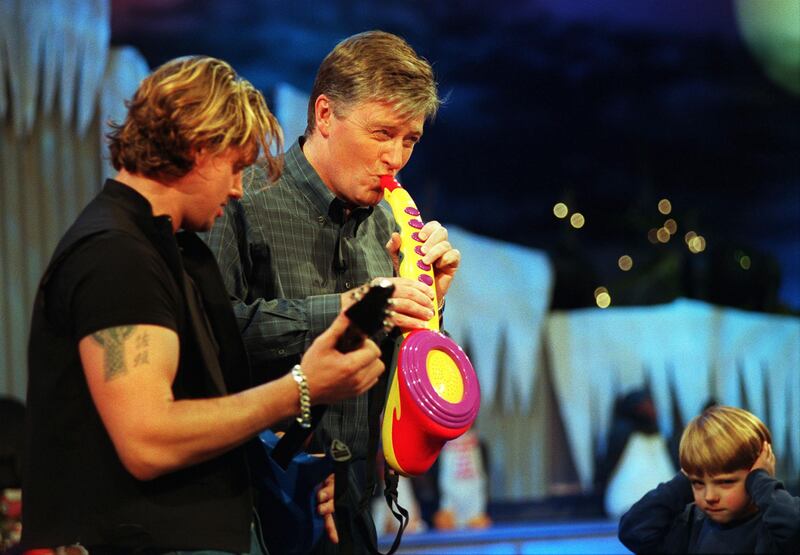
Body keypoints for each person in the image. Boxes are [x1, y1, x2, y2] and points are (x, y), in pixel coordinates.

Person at [22, 56, 385, 554]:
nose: (238, 187)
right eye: (235, 167)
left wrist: (284, 470)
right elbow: (149, 439)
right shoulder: (115, 255)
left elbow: (200, 407)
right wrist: (301, 387)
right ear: (198, 151)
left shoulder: (176, 250)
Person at [205, 30, 461, 553]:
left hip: (356, 510)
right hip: (256, 507)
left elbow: (402, 386)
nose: (395, 157)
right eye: (382, 133)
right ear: (324, 115)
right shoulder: (242, 198)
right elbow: (212, 334)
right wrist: (350, 310)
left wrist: (431, 310)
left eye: (410, 139)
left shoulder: (390, 222)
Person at [618, 405, 800, 554]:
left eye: (726, 482)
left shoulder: (773, 526)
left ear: (757, 473)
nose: (710, 496)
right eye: (698, 483)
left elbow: (794, 529)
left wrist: (761, 481)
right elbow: (633, 532)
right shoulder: (690, 525)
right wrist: (683, 480)